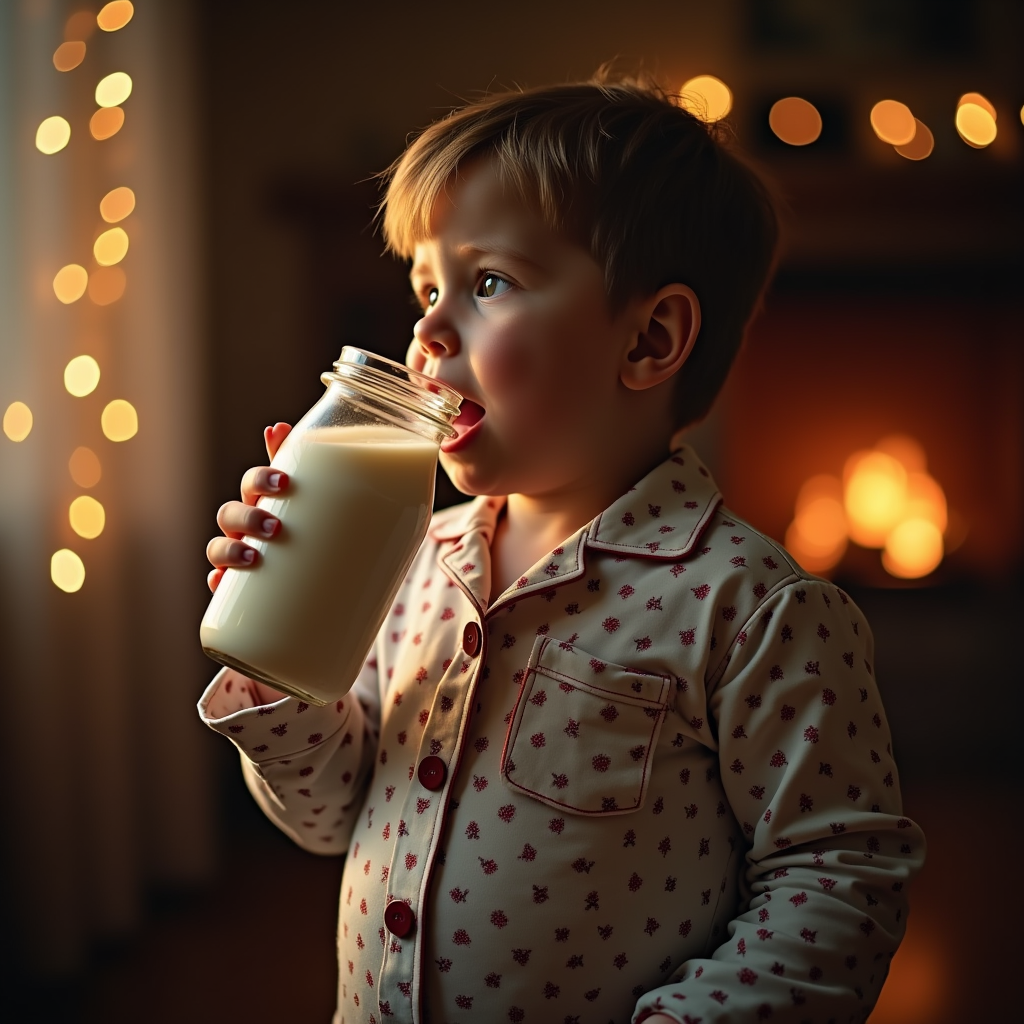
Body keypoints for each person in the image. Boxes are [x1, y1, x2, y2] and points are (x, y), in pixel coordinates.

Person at [200, 72, 924, 1024]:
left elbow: (837, 878)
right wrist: (287, 647)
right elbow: (326, 815)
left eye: (488, 283)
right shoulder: (406, 559)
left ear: (649, 339)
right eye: (426, 287)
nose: (426, 331)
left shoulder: (753, 609)